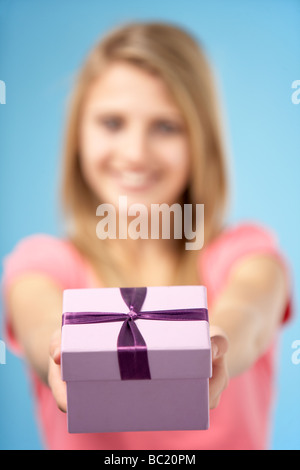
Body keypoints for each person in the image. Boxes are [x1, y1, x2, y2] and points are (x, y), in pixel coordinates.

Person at [1, 22, 291, 450]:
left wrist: (215, 344)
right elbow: (40, 321)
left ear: (201, 142)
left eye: (166, 127)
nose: (135, 153)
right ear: (78, 135)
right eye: (112, 122)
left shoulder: (245, 254)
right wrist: (58, 356)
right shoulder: (42, 265)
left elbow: (249, 314)